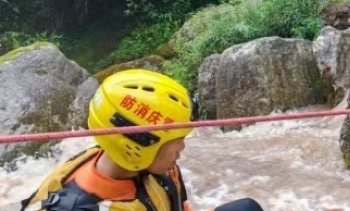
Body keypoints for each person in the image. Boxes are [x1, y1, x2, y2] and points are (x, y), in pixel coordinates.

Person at [20, 69, 265, 211]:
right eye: (176, 139)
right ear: (137, 145)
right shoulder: (82, 206)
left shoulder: (159, 166)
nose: (182, 147)